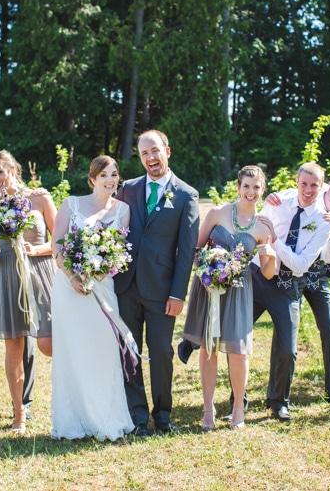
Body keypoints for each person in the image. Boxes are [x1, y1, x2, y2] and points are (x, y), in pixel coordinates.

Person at [114, 129, 200, 436]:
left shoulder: (186, 195)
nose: (150, 158)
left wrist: (178, 293)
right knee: (127, 350)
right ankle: (137, 416)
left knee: (161, 351)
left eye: (155, 151)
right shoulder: (127, 188)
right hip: (125, 286)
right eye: (144, 153)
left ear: (167, 151)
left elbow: (187, 250)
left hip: (163, 290)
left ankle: (162, 414)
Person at [182, 166, 276, 431]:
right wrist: (206, 270)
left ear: (262, 190)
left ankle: (237, 410)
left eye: (256, 187)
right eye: (246, 186)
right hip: (208, 286)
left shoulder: (262, 226)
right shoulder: (217, 213)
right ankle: (208, 410)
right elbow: (196, 249)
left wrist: (271, 254)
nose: (250, 192)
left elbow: (268, 273)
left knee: (238, 352)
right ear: (238, 187)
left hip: (238, 290)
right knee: (208, 349)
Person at [50, 155, 135, 440]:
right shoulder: (71, 204)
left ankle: (105, 419)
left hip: (102, 288)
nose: (110, 180)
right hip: (69, 289)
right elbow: (57, 245)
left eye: (114, 174)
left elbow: (118, 251)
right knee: (73, 353)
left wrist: (94, 277)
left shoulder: (122, 209)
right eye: (104, 176)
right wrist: (74, 277)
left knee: (103, 351)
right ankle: (74, 421)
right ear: (92, 179)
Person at [263, 168, 330, 407]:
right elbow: (290, 193)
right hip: (290, 273)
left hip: (317, 276)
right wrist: (271, 197)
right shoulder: (313, 192)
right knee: (284, 331)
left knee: (329, 328)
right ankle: (274, 392)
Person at [251, 162, 330, 422]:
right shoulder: (278, 201)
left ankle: (278, 400)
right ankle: (237, 399)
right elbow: (257, 229)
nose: (308, 190)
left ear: (322, 187)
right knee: (235, 336)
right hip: (258, 276)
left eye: (314, 185)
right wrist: (269, 237)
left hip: (287, 284)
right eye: (304, 183)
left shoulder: (323, 222)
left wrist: (275, 239)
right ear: (296, 181)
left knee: (288, 348)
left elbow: (299, 265)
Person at [0, 150, 56, 435]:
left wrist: (35, 249)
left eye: (1, 171)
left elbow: (61, 242)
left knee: (47, 344)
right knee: (13, 346)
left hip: (40, 272)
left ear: (14, 170)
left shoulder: (40, 198)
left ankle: (73, 396)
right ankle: (19, 414)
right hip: (5, 276)